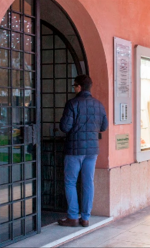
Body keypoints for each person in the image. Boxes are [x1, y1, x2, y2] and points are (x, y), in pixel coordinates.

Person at [58, 74, 108, 227]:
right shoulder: (99, 105)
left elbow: (65, 127)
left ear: (79, 86)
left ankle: (73, 217)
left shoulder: (72, 103)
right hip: (92, 150)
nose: (74, 88)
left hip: (74, 150)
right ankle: (85, 218)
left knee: (70, 182)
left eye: (74, 86)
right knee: (88, 183)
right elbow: (104, 127)